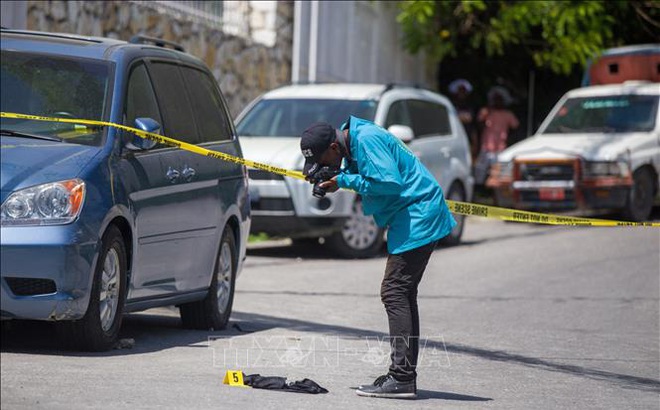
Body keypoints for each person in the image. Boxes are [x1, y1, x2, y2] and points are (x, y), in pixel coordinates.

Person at [299, 117, 456, 399]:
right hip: (412, 215)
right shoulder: (353, 144)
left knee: (394, 291)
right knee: (403, 294)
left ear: (335, 146)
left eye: (326, 160)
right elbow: (371, 174)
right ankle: (403, 374)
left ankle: (402, 378)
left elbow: (389, 183)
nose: (328, 166)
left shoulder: (366, 139)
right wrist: (335, 179)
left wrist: (344, 178)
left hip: (418, 214)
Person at [474, 86, 519, 187]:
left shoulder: (508, 114)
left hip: (500, 147)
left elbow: (515, 127)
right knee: (480, 169)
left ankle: (497, 191)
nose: (497, 101)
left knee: (499, 171)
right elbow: (478, 124)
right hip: (486, 146)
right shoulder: (486, 112)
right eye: (495, 99)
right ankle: (479, 189)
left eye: (500, 99)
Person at [448, 79, 478, 159]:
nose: (462, 93)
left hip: (467, 138)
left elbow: (472, 125)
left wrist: (474, 143)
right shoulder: (450, 105)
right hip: (453, 139)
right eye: (460, 91)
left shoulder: (470, 106)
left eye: (464, 91)